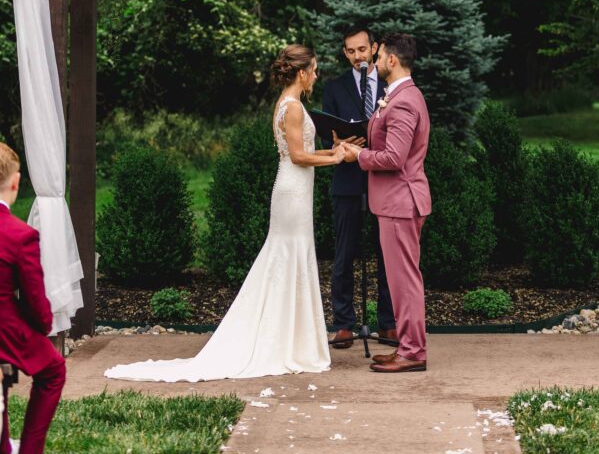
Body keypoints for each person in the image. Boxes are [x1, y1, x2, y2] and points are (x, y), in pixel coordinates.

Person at [105, 45, 349, 382]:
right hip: (292, 191)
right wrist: (335, 159)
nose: (316, 75)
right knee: (288, 255)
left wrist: (332, 150)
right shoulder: (292, 106)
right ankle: (284, 342)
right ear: (302, 72)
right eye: (315, 69)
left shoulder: (289, 103)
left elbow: (306, 151)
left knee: (292, 256)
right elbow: (297, 156)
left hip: (296, 190)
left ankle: (292, 340)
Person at [343, 33, 431, 372]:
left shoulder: (405, 100)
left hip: (400, 202)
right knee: (400, 280)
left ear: (391, 60)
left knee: (405, 280)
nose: (375, 63)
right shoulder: (397, 96)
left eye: (378, 57)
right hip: (394, 203)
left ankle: (413, 352)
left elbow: (395, 157)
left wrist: (359, 155)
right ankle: (408, 347)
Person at [322, 26, 396, 348]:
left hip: (383, 178)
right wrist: (339, 141)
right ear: (344, 53)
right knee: (344, 253)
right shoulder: (334, 87)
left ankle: (389, 322)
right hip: (347, 179)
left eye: (363, 50)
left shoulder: (389, 85)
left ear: (374, 48)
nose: (357, 57)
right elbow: (326, 132)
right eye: (351, 51)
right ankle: (343, 324)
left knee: (386, 253)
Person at [0, 142, 66, 454]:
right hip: (4, 323)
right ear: (15, 183)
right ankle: (30, 449)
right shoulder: (18, 234)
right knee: (53, 369)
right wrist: (41, 324)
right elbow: (37, 305)